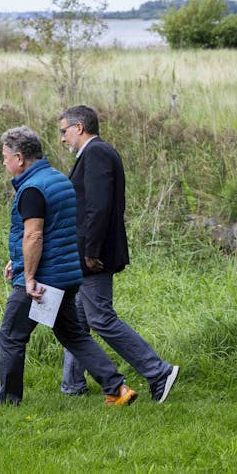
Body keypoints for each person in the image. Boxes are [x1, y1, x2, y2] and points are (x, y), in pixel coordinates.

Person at [0, 126, 138, 408]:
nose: (4, 162)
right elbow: (55, 230)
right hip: (67, 275)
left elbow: (34, 235)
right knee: (73, 335)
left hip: (43, 280)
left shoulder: (32, 189)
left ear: (20, 158)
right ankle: (117, 389)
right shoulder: (58, 179)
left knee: (11, 336)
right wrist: (18, 258)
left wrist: (30, 276)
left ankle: (7, 401)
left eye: (5, 156)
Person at [57, 105, 179, 403]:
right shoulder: (93, 154)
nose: (62, 138)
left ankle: (158, 371)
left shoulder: (97, 153)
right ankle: (72, 385)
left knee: (100, 318)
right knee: (77, 320)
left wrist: (90, 251)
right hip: (88, 252)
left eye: (64, 131)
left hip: (94, 255)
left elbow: (98, 207)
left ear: (80, 127)